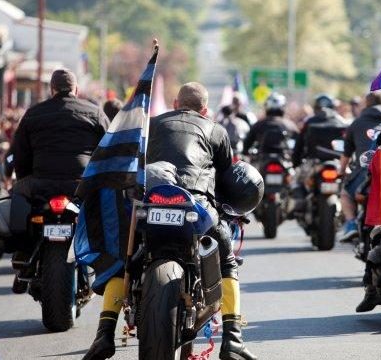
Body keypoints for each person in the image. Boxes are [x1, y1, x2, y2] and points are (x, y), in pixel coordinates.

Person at [83, 83, 258, 360]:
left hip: (149, 203)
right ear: (205, 109)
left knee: (121, 260)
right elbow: (225, 181)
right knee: (227, 262)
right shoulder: (216, 131)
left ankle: (104, 334)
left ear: (176, 103)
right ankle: (233, 339)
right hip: (195, 205)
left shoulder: (150, 125)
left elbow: (133, 163)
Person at [11, 69, 110, 199]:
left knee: (14, 198)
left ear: (52, 90)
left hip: (41, 184)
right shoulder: (96, 113)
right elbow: (109, 149)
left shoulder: (32, 114)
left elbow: (20, 154)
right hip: (82, 185)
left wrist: (26, 178)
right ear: (76, 90)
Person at [339, 92, 381, 241]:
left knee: (345, 194)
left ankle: (351, 224)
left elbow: (346, 154)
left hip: (364, 174)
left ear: (367, 104)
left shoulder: (357, 123)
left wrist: (341, 171)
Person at [242, 92, 298, 156]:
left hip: (264, 160)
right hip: (269, 161)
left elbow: (247, 144)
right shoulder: (290, 125)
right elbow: (299, 145)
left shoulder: (258, 125)